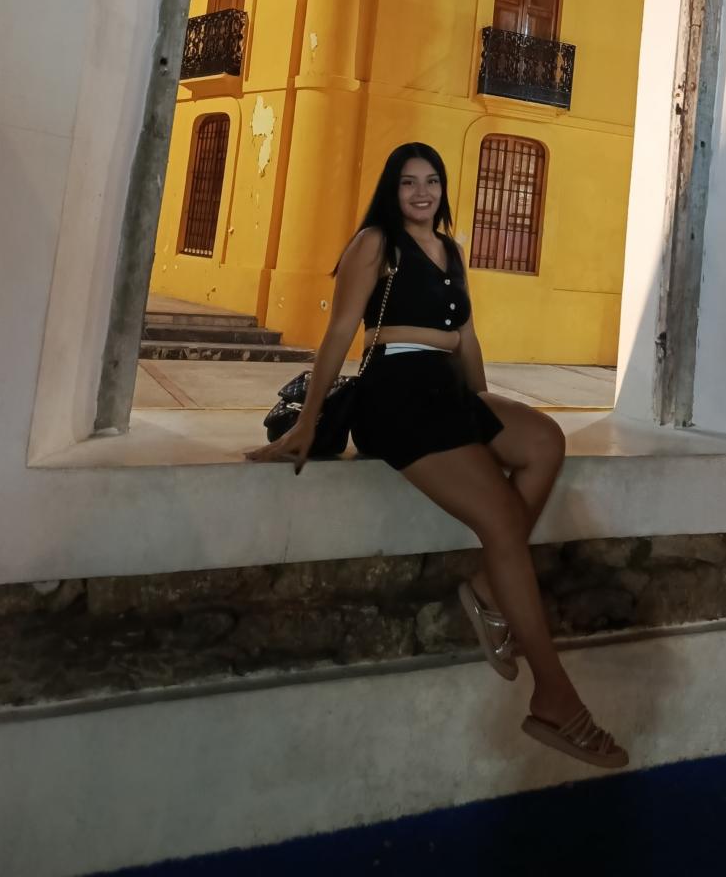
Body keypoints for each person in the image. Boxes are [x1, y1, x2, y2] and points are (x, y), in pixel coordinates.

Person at [247, 142, 627, 769]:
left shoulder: (451, 250)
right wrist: (307, 422)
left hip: (446, 391)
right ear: (391, 190)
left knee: (543, 441)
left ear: (443, 188)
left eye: (431, 181)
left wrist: (484, 413)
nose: (421, 193)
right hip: (395, 397)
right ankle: (554, 696)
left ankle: (487, 584)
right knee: (502, 520)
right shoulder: (376, 243)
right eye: (408, 182)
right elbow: (340, 332)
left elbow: (466, 338)